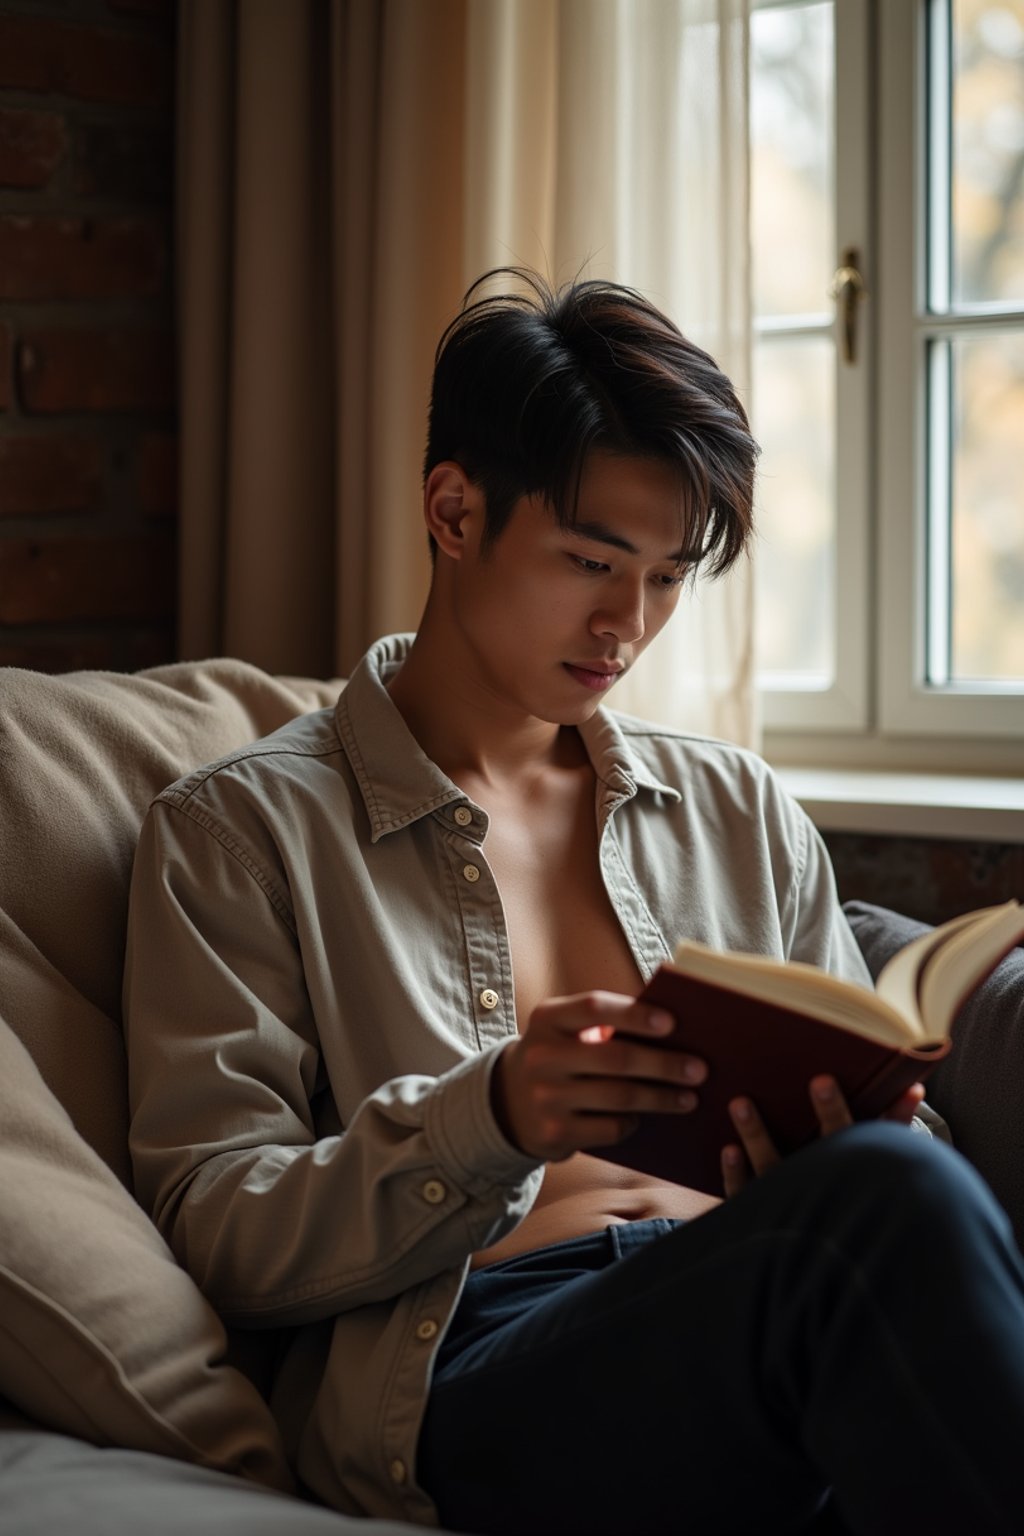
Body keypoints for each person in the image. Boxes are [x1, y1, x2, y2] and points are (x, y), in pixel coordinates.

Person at [123, 271, 1024, 1536]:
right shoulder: (242, 832)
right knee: (881, 1211)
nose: (627, 624)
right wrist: (487, 1114)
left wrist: (847, 1126)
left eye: (664, 578)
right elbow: (216, 1223)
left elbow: (903, 1164)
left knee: (887, 1194)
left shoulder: (734, 810)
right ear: (452, 511)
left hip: (763, 1308)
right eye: (590, 562)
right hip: (486, 1360)